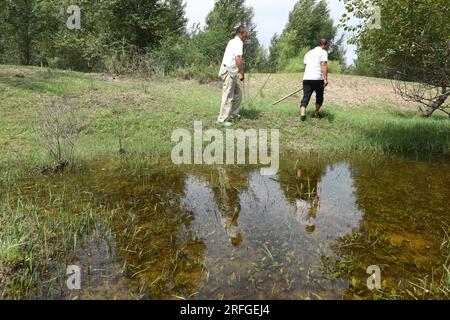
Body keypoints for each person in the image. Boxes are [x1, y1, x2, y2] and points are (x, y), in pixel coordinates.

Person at [217, 26, 248, 127]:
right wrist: (242, 72)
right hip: (229, 72)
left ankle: (233, 114)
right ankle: (222, 119)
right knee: (228, 96)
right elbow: (237, 59)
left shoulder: (233, 41)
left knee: (238, 94)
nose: (247, 36)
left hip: (232, 72)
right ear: (241, 33)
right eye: (246, 33)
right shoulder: (238, 42)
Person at [300, 39, 330, 122]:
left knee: (306, 96)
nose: (327, 47)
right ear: (324, 44)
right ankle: (316, 113)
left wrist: (307, 77)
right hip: (318, 78)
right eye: (327, 45)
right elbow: (323, 64)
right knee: (319, 96)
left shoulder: (308, 53)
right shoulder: (323, 52)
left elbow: (305, 66)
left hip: (306, 78)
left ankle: (302, 113)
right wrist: (325, 78)